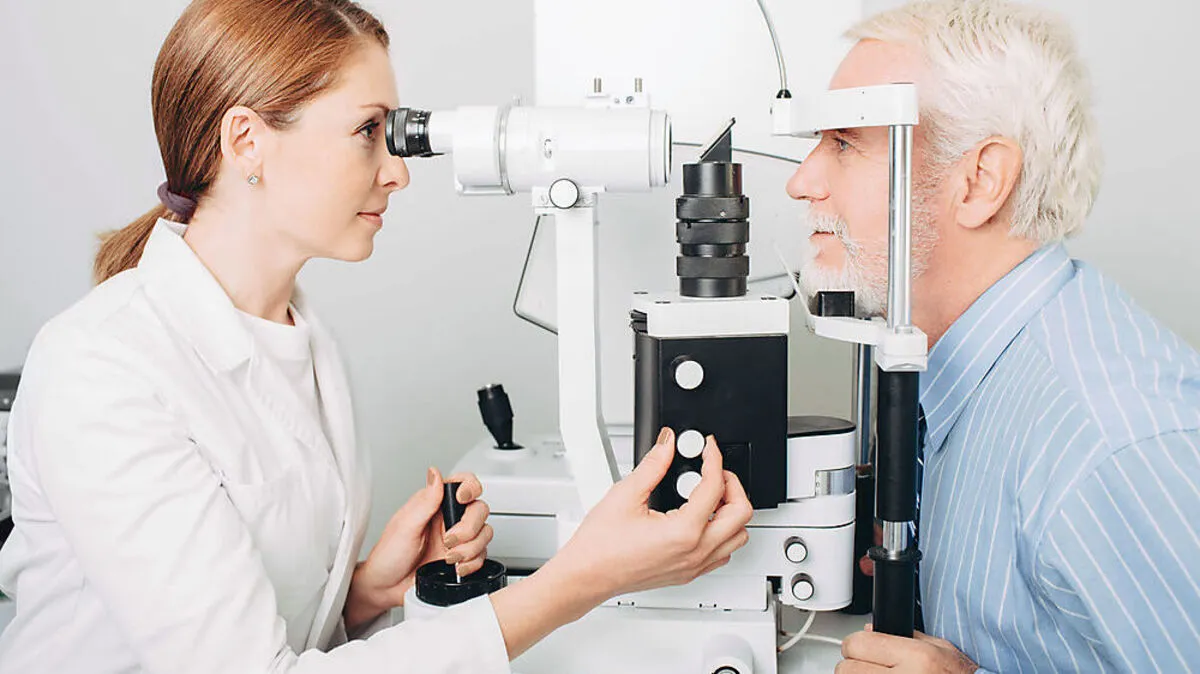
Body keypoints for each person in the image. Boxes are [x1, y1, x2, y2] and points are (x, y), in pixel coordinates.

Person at [0, 1, 753, 672]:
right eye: (369, 131)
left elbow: (265, 625)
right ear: (246, 141)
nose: (398, 172)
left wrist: (363, 592)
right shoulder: (104, 369)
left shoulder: (305, 337)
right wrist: (584, 578)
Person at [787, 1, 1200, 672]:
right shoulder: (958, 374)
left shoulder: (1110, 444)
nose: (801, 181)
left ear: (978, 182)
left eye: (844, 144)